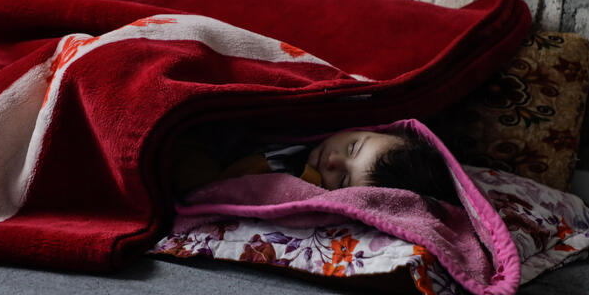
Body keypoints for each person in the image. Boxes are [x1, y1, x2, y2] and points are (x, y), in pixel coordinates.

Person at [170, 123, 460, 206]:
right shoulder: (312, 122)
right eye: (353, 146)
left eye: (344, 181)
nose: (333, 160)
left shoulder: (295, 183)